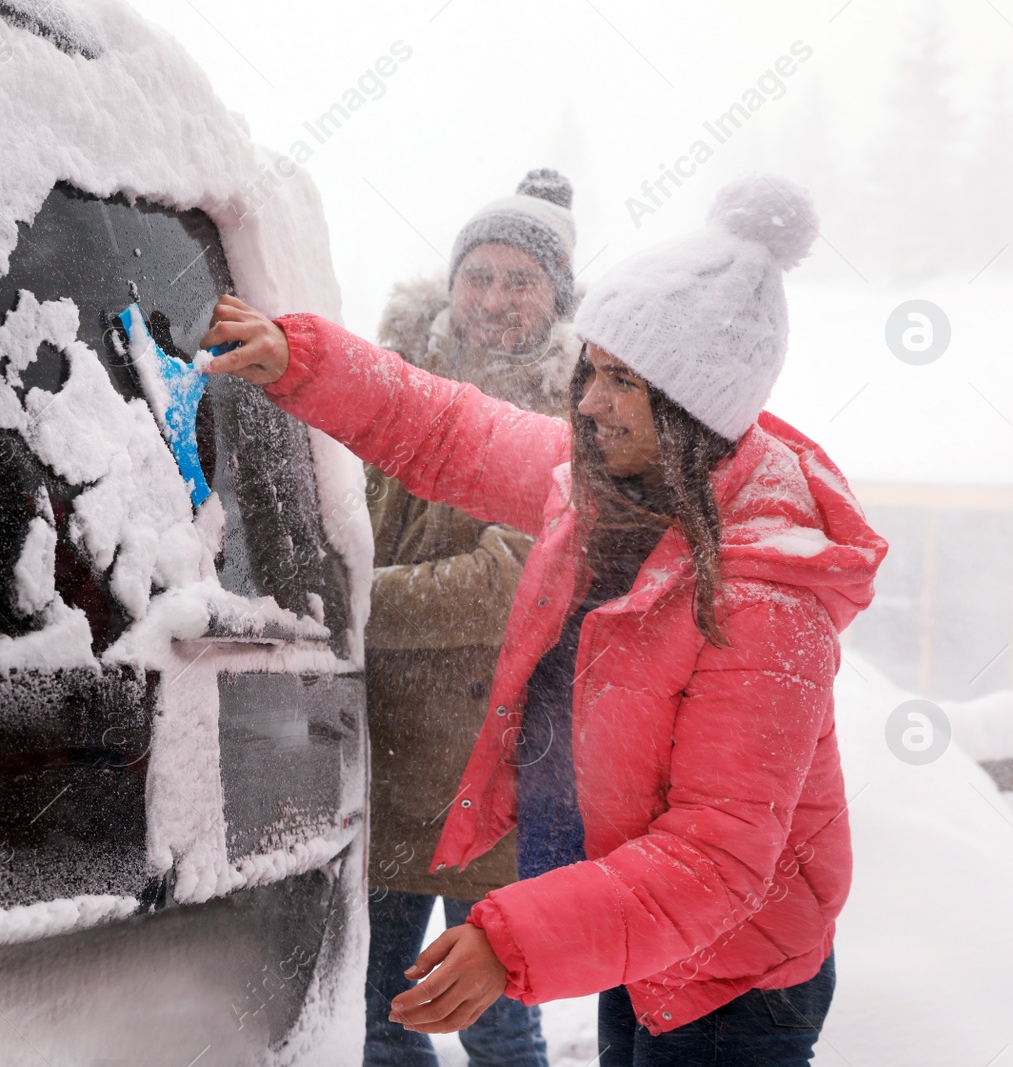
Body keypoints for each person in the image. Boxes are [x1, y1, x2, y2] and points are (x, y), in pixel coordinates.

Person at [201, 174, 887, 1066]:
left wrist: (515, 940)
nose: (587, 402)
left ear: (692, 407)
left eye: (620, 380)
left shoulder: (765, 599)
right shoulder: (612, 487)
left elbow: (715, 859)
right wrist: (302, 359)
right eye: (590, 370)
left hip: (738, 980)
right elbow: (444, 429)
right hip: (644, 939)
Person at [364, 169, 578, 1067]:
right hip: (377, 751)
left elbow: (507, 581)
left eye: (520, 280)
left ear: (557, 298)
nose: (494, 298)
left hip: (493, 765)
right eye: (478, 275)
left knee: (494, 1023)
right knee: (382, 1017)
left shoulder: (572, 415)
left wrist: (350, 605)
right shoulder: (393, 382)